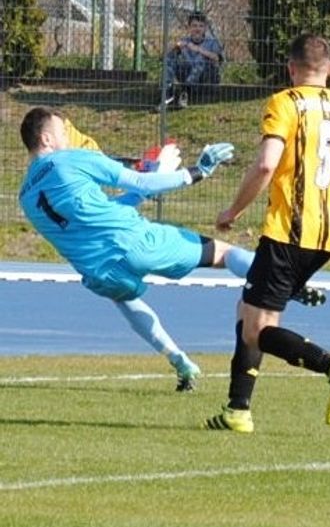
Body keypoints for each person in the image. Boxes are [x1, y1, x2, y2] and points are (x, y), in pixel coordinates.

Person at [210, 33, 330, 434]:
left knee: (257, 329)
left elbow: (267, 165)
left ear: (290, 68)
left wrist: (233, 210)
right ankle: (237, 409)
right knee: (251, 315)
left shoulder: (285, 102)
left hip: (286, 233)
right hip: (325, 239)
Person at [19, 107, 241, 390]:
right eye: (63, 133)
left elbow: (97, 214)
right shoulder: (69, 159)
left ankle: (180, 361)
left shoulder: (25, 194)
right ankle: (282, 280)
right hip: (133, 244)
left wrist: (141, 190)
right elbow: (139, 180)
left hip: (100, 272)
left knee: (126, 301)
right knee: (223, 252)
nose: (67, 138)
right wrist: (197, 172)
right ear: (47, 139)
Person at [161, 11, 224, 109]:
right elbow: (167, 57)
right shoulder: (185, 41)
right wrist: (175, 48)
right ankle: (167, 94)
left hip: (206, 77)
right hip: (187, 74)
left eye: (200, 26)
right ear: (189, 28)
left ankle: (185, 92)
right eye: (194, 26)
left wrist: (198, 49)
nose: (197, 29)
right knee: (170, 60)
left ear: (205, 28)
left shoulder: (211, 42)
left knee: (201, 59)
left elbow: (218, 59)